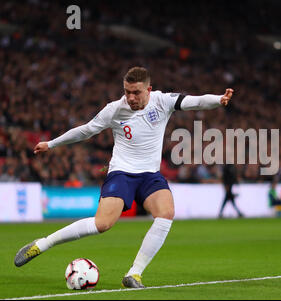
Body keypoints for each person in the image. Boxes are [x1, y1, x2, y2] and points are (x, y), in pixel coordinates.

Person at [14, 66, 234, 288]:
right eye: (127, 91)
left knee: (166, 213)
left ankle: (134, 274)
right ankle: (42, 244)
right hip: (122, 172)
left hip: (150, 175)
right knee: (103, 224)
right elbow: (86, 130)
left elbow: (193, 101)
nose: (130, 97)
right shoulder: (115, 109)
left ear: (149, 89)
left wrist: (219, 99)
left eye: (136, 92)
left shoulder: (162, 101)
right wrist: (51, 144)